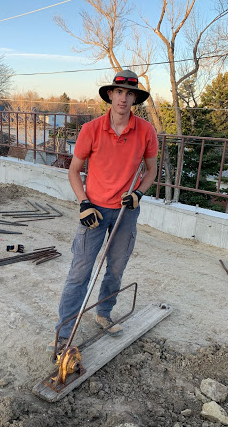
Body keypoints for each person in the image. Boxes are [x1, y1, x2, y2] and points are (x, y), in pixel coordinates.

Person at [48, 69, 158, 352]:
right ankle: (64, 332)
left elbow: (151, 169)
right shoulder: (91, 129)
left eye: (130, 93)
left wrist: (139, 193)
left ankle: (103, 314)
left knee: (116, 268)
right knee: (80, 271)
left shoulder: (145, 131)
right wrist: (83, 203)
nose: (123, 98)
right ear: (110, 94)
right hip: (94, 211)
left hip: (125, 211)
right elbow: (74, 171)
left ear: (135, 98)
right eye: (119, 92)